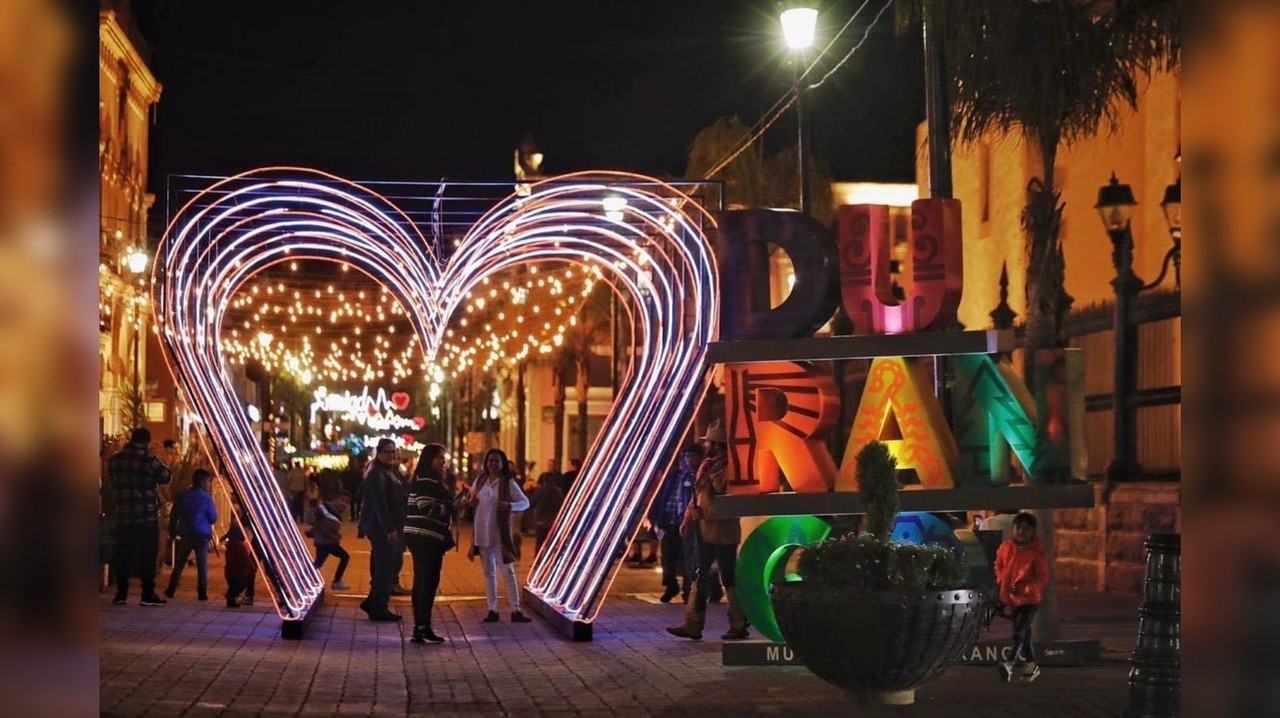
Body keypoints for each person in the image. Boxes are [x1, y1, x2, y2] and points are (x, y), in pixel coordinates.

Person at [667, 420, 749, 641]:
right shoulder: (711, 465)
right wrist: (688, 517)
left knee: (728, 577)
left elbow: (729, 503)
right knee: (699, 575)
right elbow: (698, 495)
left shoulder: (731, 469)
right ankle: (692, 623)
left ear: (718, 444)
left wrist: (704, 513)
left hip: (722, 531)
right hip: (704, 530)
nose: (706, 446)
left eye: (710, 442)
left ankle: (739, 623)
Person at [404, 443, 468, 644]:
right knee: (426, 581)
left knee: (425, 581)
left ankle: (422, 627)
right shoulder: (426, 480)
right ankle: (422, 628)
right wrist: (451, 506)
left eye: (444, 458)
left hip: (427, 537)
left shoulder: (430, 480)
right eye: (440, 458)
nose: (443, 462)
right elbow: (425, 507)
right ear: (429, 460)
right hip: (425, 537)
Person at [106, 427, 173, 606]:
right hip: (146, 516)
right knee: (147, 556)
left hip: (123, 516)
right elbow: (167, 476)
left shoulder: (115, 461)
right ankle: (147, 594)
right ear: (146, 442)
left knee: (123, 555)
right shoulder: (148, 459)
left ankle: (121, 594)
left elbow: (110, 479)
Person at [467, 448, 532, 623]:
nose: (493, 464)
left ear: (502, 463)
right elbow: (471, 498)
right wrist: (470, 502)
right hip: (482, 531)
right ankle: (492, 609)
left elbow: (525, 502)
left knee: (507, 571)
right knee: (489, 572)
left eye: (496, 461)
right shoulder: (480, 481)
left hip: (499, 533)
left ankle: (515, 610)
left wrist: (509, 506)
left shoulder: (507, 482)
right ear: (486, 463)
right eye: (490, 461)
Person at [994, 511, 1050, 683]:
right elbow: (998, 565)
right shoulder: (1006, 547)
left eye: (1026, 529)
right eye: (1018, 527)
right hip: (1011, 598)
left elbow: (1042, 579)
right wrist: (1002, 581)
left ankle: (1009, 663)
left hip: (1030, 600)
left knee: (1019, 631)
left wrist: (1023, 589)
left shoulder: (1037, 553)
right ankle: (1032, 665)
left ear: (1033, 531)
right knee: (1024, 633)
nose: (1021, 532)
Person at [358, 439, 407, 621]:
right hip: (382, 527)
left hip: (390, 525)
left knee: (388, 565)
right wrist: (389, 529)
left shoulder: (389, 471)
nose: (392, 455)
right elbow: (380, 504)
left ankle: (372, 602)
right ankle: (379, 607)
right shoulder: (376, 472)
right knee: (385, 567)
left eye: (394, 452)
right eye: (387, 452)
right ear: (378, 453)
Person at [648, 443, 703, 603]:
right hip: (669, 520)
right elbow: (663, 494)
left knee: (687, 557)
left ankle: (687, 590)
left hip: (686, 523)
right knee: (667, 557)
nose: (687, 459)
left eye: (691, 456)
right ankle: (671, 585)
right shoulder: (674, 474)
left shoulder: (697, 476)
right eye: (686, 456)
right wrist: (656, 517)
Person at [164, 469, 218, 600]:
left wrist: (172, 532)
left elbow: (174, 515)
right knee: (202, 564)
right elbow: (213, 518)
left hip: (186, 533)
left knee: (179, 563)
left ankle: (171, 588)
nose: (209, 484)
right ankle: (202, 591)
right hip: (201, 535)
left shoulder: (182, 496)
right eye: (208, 481)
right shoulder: (207, 498)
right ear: (202, 482)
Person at [311, 491, 352, 591]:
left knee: (319, 562)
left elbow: (328, 526)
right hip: (324, 542)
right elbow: (315, 518)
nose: (344, 504)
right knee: (342, 557)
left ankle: (303, 578)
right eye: (342, 500)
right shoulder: (325, 508)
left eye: (347, 502)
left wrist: (336, 535)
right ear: (335, 499)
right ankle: (336, 582)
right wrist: (313, 529)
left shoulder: (336, 513)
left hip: (328, 541)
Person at [529, 471, 564, 556]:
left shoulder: (539, 490)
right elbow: (562, 505)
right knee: (552, 543)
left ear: (544, 480)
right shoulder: (558, 492)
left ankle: (538, 562)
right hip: (553, 521)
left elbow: (531, 503)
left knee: (539, 543)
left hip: (540, 521)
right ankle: (551, 561)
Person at [223, 522, 257, 608]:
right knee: (242, 584)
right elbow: (248, 563)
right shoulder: (240, 547)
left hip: (229, 574)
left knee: (233, 586)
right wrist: (252, 570)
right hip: (239, 574)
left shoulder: (229, 547)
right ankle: (231, 597)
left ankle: (231, 599)